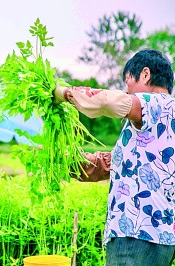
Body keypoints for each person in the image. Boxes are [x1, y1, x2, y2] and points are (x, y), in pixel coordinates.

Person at [55, 49, 175, 265]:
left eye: (128, 83)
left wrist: (65, 93)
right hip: (161, 237)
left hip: (136, 233)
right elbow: (121, 164)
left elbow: (109, 102)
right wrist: (65, 160)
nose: (127, 92)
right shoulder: (160, 124)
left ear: (145, 75)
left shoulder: (157, 104)